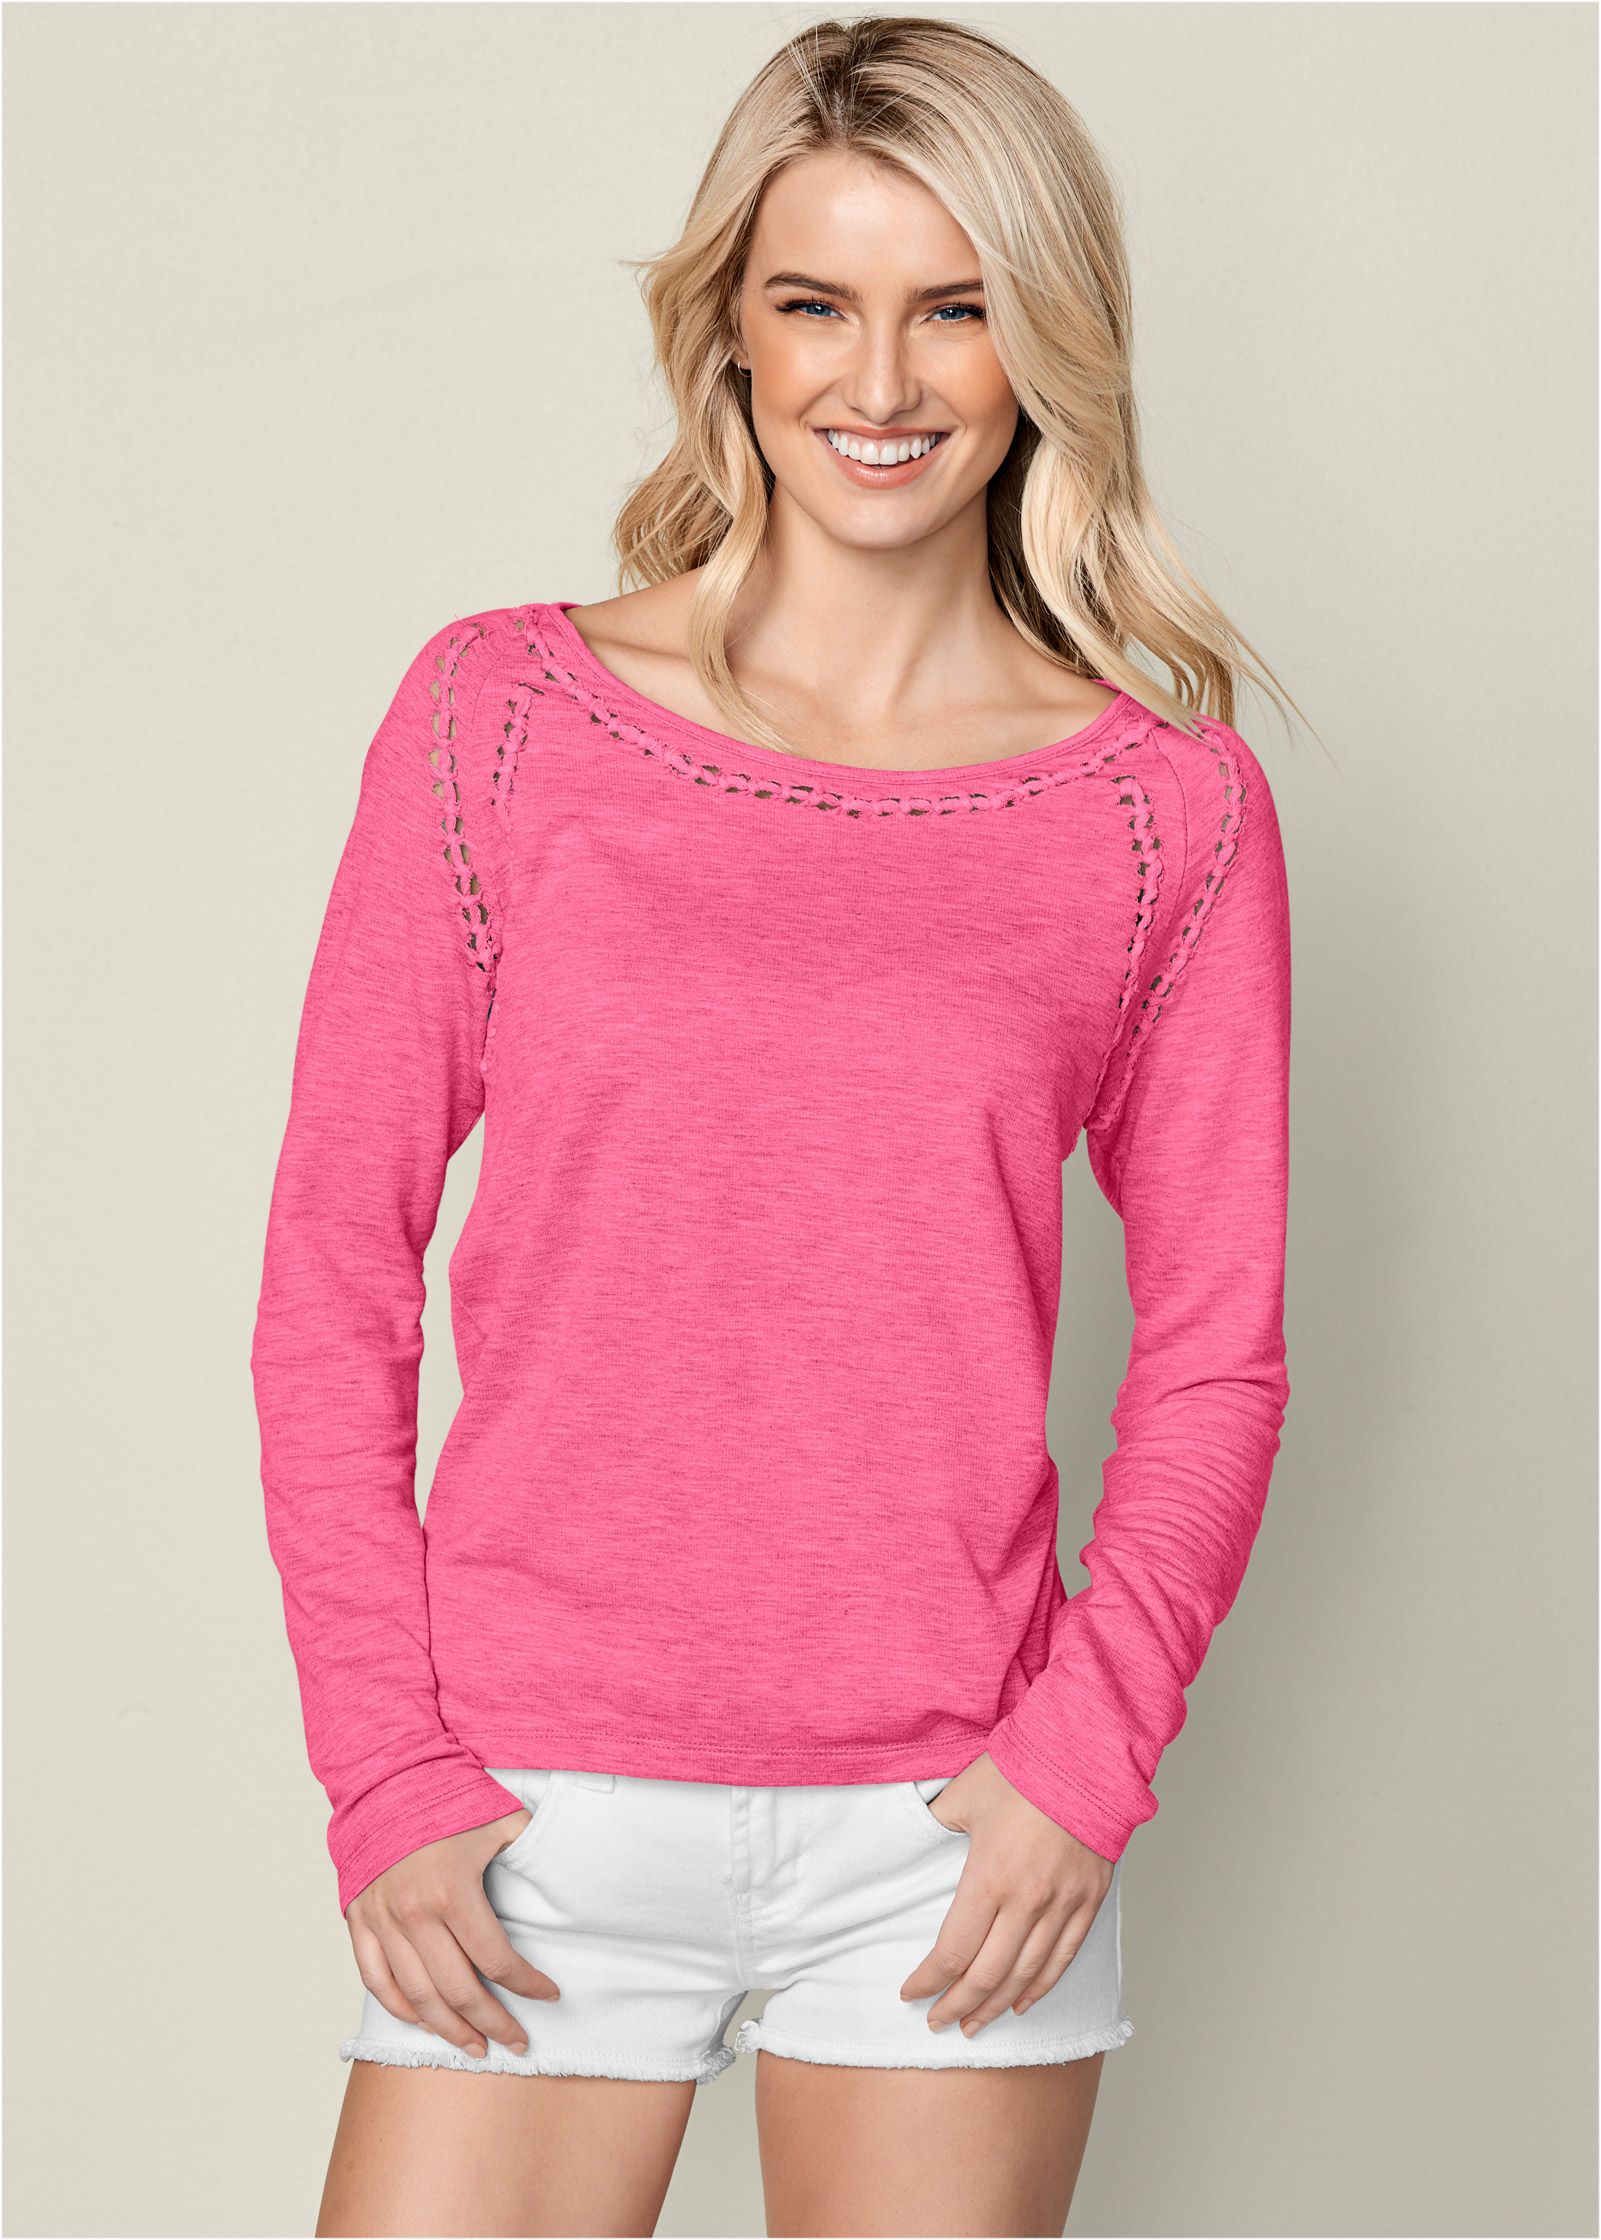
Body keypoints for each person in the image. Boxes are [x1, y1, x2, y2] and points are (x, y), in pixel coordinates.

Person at [250, 15, 1296, 2236]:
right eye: (816, 301)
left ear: (1045, 338)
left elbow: (1219, 1349)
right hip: (527, 1803)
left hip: (952, 1832)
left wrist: (1082, 1761)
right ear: (729, 325)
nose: (879, 380)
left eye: (955, 306)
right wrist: (384, 1761)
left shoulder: (1161, 810)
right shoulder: (503, 716)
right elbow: (333, 1265)